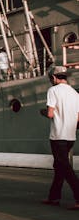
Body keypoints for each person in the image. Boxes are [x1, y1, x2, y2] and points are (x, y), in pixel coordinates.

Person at [40, 66, 79, 210]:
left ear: (54, 78)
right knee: (59, 167)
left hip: (58, 136)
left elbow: (50, 114)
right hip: (70, 135)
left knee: (65, 168)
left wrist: (43, 112)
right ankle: (54, 197)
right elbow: (78, 117)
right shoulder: (75, 93)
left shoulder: (53, 91)